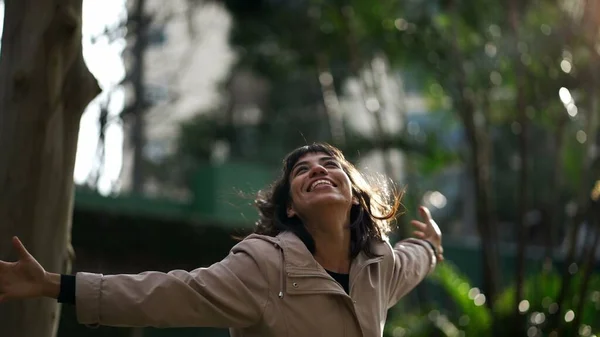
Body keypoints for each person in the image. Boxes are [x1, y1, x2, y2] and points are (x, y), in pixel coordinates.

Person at [0, 143, 443, 337]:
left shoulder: (378, 265)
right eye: (302, 170)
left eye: (330, 164)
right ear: (291, 208)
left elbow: (414, 259)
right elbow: (165, 295)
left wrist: (431, 246)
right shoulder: (263, 267)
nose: (319, 170)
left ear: (353, 194)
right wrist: (54, 286)